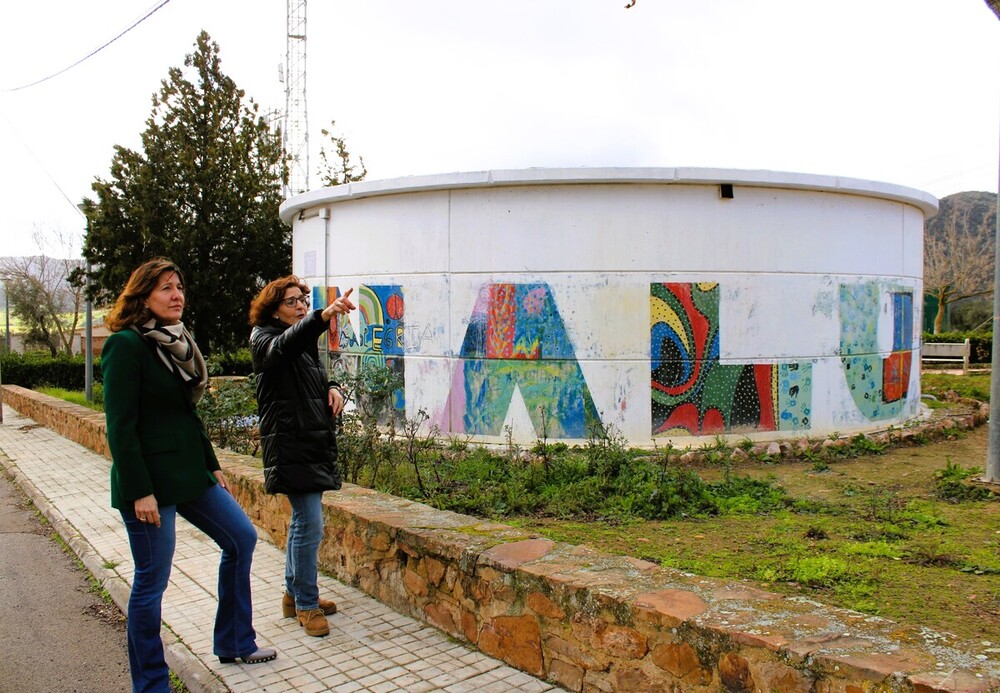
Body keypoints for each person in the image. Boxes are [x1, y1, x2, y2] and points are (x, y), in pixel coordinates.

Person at [102, 258, 276, 692]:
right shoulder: (125, 346)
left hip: (189, 471)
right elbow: (120, 428)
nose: (177, 295)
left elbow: (187, 414)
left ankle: (235, 640)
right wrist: (140, 491)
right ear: (142, 296)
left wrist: (211, 463)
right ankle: (152, 683)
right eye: (165, 288)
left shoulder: (176, 342)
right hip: (148, 483)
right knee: (151, 582)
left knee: (241, 537)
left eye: (179, 287)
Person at [249, 276, 356, 637]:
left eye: (303, 300)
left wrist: (332, 387)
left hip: (310, 441)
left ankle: (293, 596)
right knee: (310, 525)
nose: (299, 306)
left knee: (302, 523)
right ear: (273, 308)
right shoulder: (264, 339)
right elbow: (285, 349)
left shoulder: (300, 338)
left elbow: (312, 372)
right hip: (291, 443)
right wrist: (322, 316)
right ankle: (306, 604)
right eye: (292, 301)